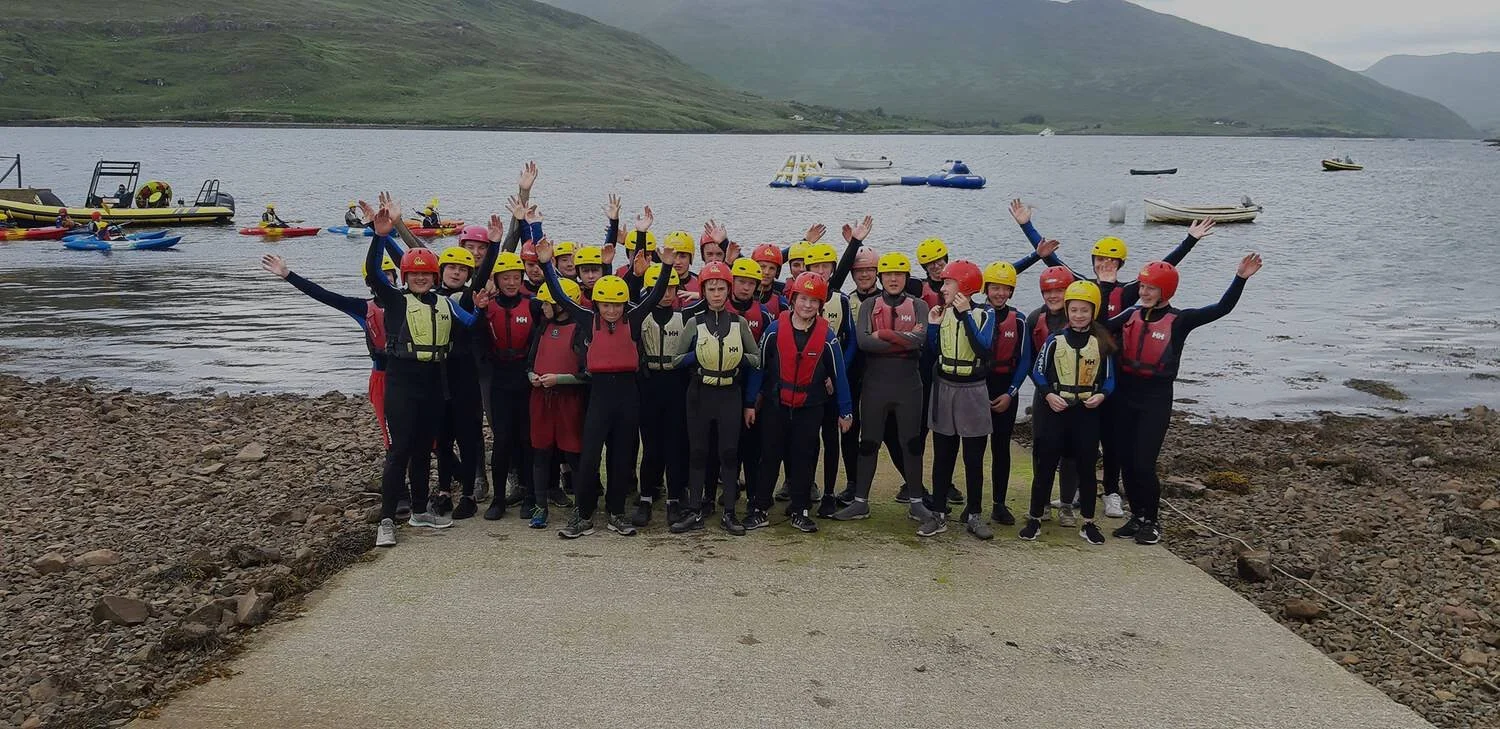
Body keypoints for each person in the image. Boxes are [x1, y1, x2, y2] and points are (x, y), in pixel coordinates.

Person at [1010, 199, 1213, 518]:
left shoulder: (1130, 292)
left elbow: (1162, 270)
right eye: (1100, 259)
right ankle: (1076, 491)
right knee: (1079, 437)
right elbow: (1050, 257)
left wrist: (1190, 240)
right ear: (1093, 262)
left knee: (1112, 438)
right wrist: (1026, 225)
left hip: (1112, 374)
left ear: (1121, 264)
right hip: (1082, 372)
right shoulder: (1083, 286)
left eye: (1112, 260)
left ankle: (1111, 492)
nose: (1105, 264)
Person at [1105, 253, 1263, 545]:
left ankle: (1152, 521)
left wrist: (1240, 278)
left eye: (1151, 288)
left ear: (1165, 291)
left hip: (1155, 400)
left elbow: (1221, 308)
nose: (1143, 293)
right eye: (1142, 287)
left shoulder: (1180, 321)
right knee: (1126, 462)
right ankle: (1137, 516)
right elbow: (1098, 327)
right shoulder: (1130, 315)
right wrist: (1101, 288)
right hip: (1125, 397)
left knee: (1143, 464)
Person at [537, 207, 673, 539]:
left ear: (624, 304)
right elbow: (559, 294)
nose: (611, 309)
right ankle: (583, 514)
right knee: (589, 457)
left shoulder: (634, 318)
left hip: (628, 394)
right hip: (599, 394)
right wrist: (546, 263)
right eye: (605, 304)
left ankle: (616, 513)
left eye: (616, 304)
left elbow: (655, 294)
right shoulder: (587, 319)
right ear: (597, 304)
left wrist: (666, 265)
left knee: (622, 457)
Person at [364, 197, 479, 548]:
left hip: (433, 386)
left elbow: (471, 323)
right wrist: (379, 236)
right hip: (402, 384)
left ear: (434, 277)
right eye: (414, 273)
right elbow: (374, 273)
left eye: (425, 274)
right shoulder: (396, 300)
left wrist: (481, 307)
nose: (419, 278)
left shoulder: (446, 303)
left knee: (421, 451)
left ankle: (418, 510)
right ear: (406, 276)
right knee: (399, 451)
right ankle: (386, 520)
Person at [745, 272, 854, 533]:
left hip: (810, 407)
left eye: (814, 301)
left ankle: (800, 510)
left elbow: (839, 375)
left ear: (820, 304)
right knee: (769, 455)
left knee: (804, 457)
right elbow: (759, 367)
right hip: (776, 404)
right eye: (803, 299)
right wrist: (750, 402)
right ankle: (759, 508)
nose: (808, 305)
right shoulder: (774, 330)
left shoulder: (828, 337)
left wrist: (846, 410)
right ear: (793, 300)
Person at [834, 251, 929, 521]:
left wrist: (884, 334)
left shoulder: (919, 305)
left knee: (911, 443)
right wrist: (904, 340)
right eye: (888, 275)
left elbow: (920, 340)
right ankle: (860, 502)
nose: (893, 279)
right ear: (881, 277)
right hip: (875, 385)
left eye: (899, 274)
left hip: (909, 386)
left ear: (906, 277)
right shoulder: (869, 305)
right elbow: (865, 343)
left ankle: (916, 501)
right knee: (868, 442)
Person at [1022, 280, 1116, 545]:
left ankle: (1088, 522)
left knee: (1086, 468)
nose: (1079, 315)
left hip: (1086, 412)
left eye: (1084, 310)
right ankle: (1035, 517)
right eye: (1074, 310)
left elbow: (1110, 379)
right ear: (1067, 311)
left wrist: (1102, 395)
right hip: (1056, 410)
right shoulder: (1054, 340)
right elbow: (1038, 371)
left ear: (1093, 311)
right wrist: (1048, 395)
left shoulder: (1100, 343)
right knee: (1045, 465)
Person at [675, 261, 762, 534]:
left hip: (729, 393)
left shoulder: (739, 323)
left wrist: (738, 359)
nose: (716, 294)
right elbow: (676, 360)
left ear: (728, 290)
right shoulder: (694, 323)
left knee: (729, 452)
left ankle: (729, 513)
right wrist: (698, 355)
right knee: (698, 452)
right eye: (711, 289)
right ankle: (694, 511)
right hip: (700, 393)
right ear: (703, 291)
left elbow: (757, 359)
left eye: (721, 288)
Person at [917, 260, 994, 537]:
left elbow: (984, 349)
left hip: (973, 390)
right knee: (942, 456)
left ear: (965, 287)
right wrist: (933, 327)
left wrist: (965, 316)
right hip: (945, 388)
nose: (943, 288)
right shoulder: (942, 313)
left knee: (973, 458)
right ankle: (938, 513)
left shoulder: (985, 314)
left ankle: (974, 514)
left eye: (948, 283)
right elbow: (933, 352)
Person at [473, 248, 540, 521]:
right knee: (502, 440)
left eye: (516, 277)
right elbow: (477, 338)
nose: (511, 283)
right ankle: (498, 499)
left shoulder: (533, 304)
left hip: (525, 377)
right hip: (499, 378)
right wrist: (479, 312)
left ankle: (530, 495)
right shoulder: (487, 306)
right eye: (506, 278)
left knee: (527, 439)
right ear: (497, 280)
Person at [521, 275, 588, 529]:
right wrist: (532, 376)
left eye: (547, 303)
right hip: (541, 398)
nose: (543, 307)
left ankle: (581, 507)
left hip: (569, 400)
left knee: (573, 453)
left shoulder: (580, 329)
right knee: (540, 452)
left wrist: (558, 379)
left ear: (563, 304)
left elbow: (586, 374)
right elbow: (529, 363)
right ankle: (540, 506)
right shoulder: (543, 327)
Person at [631, 261, 693, 527]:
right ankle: (646, 497)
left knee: (674, 446)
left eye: (671, 289)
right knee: (651, 447)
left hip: (675, 385)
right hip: (649, 385)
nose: (667, 294)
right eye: (661, 289)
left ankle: (674, 500)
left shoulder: (685, 317)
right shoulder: (639, 316)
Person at [981, 261, 1032, 528]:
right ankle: (973, 504)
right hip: (978, 387)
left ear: (1011, 291)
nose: (1000, 293)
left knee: (1001, 448)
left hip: (1005, 390)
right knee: (975, 449)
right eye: (995, 287)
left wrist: (1011, 393)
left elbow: (1025, 361)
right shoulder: (975, 314)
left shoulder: (1019, 320)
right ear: (986, 289)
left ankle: (999, 504)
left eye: (1005, 288)